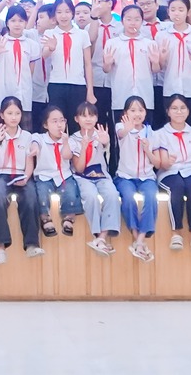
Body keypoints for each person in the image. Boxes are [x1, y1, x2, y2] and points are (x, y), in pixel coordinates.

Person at [0, 97, 39, 261]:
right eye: (9, 113)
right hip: (0, 173)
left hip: (21, 173)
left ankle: (32, 244)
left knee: (31, 196)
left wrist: (26, 177)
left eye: (17, 113)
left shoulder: (27, 136)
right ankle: (1, 246)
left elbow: (29, 161)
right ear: (2, 115)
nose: (14, 117)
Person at [152, 94, 191, 253]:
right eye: (174, 108)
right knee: (176, 187)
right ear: (168, 111)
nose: (179, 112)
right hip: (169, 172)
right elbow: (161, 163)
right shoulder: (159, 134)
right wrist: (167, 162)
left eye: (183, 108)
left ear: (188, 111)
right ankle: (176, 233)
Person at [112, 95, 160, 261]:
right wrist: (128, 128)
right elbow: (120, 134)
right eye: (132, 110)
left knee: (152, 197)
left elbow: (157, 162)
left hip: (147, 177)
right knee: (128, 197)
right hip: (125, 177)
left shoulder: (152, 133)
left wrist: (148, 150)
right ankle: (136, 237)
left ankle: (140, 239)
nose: (137, 114)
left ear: (146, 113)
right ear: (125, 113)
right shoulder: (121, 126)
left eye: (140, 110)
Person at [69, 100, 120, 255]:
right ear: (76, 119)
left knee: (112, 194)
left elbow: (105, 147)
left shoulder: (101, 135)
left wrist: (105, 142)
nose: (88, 119)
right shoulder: (73, 139)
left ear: (97, 118)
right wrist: (84, 147)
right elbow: (79, 168)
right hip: (82, 177)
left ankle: (102, 237)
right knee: (90, 197)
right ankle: (97, 235)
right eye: (84, 116)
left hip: (101, 175)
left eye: (92, 115)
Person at [27, 105, 84, 240]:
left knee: (71, 191)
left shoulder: (69, 140)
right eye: (54, 121)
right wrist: (34, 149)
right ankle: (45, 218)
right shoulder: (39, 137)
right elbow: (34, 143)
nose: (59, 125)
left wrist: (65, 143)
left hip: (63, 175)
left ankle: (69, 218)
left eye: (62, 120)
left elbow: (66, 156)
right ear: (45, 125)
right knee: (41, 192)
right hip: (44, 175)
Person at [40, 0, 94, 139]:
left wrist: (90, 90)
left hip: (78, 85)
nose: (63, 16)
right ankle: (58, 152)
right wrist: (50, 48)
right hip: (56, 85)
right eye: (59, 12)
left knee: (77, 124)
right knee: (57, 124)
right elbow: (43, 56)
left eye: (67, 11)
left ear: (72, 13)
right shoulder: (49, 33)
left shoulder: (82, 34)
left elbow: (87, 63)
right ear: (54, 15)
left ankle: (77, 152)